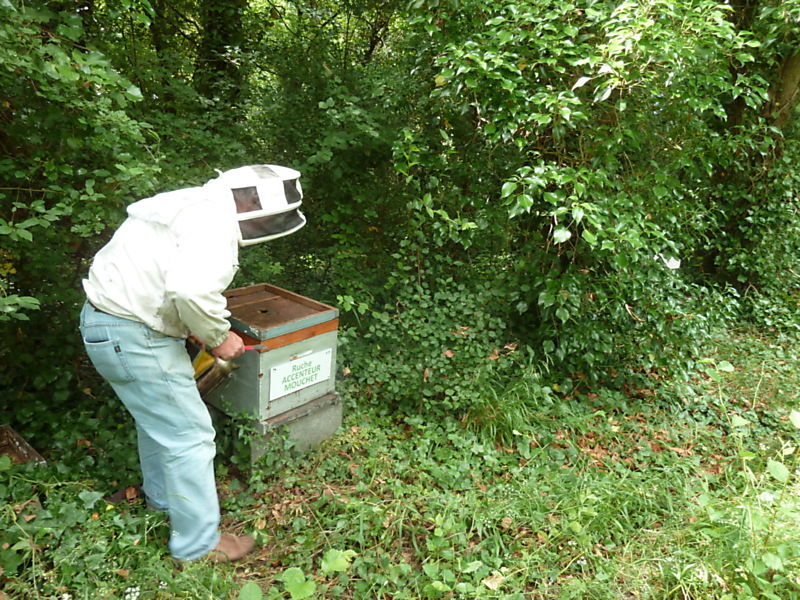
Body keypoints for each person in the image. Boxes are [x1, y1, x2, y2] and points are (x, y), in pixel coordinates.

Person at [78, 165, 306, 562]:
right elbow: (189, 290)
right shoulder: (213, 225)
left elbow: (159, 278)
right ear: (252, 205)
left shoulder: (190, 203)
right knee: (191, 437)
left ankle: (166, 503)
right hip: (134, 335)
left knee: (161, 426)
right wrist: (220, 337)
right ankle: (198, 544)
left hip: (107, 324)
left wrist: (191, 328)